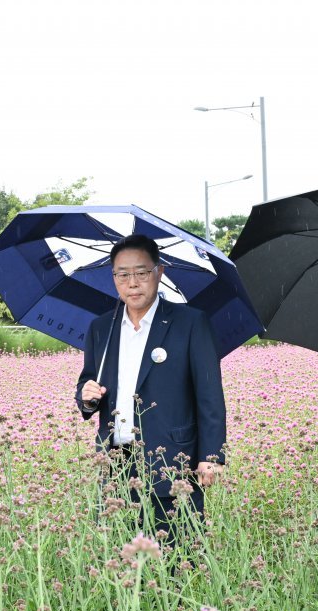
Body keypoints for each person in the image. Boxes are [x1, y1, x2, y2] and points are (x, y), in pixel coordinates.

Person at [76, 234, 226, 549]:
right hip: (116, 460)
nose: (132, 283)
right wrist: (86, 396)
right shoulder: (101, 328)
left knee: (176, 556)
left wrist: (211, 456)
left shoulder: (190, 322)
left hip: (172, 457)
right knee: (118, 555)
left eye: (142, 273)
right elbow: (89, 383)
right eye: (122, 274)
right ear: (113, 277)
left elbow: (209, 395)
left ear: (158, 272)